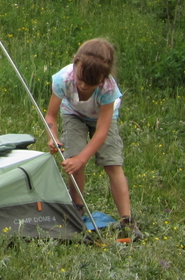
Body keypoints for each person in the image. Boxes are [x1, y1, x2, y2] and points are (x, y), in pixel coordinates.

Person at [43, 38, 142, 241]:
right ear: (76, 63)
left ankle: (127, 220)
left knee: (112, 163)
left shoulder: (108, 89)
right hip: (73, 114)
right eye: (80, 79)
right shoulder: (63, 79)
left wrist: (83, 158)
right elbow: (51, 116)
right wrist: (53, 137)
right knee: (73, 161)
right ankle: (77, 208)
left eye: (90, 83)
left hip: (102, 119)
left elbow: (102, 132)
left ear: (103, 78)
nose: (82, 85)